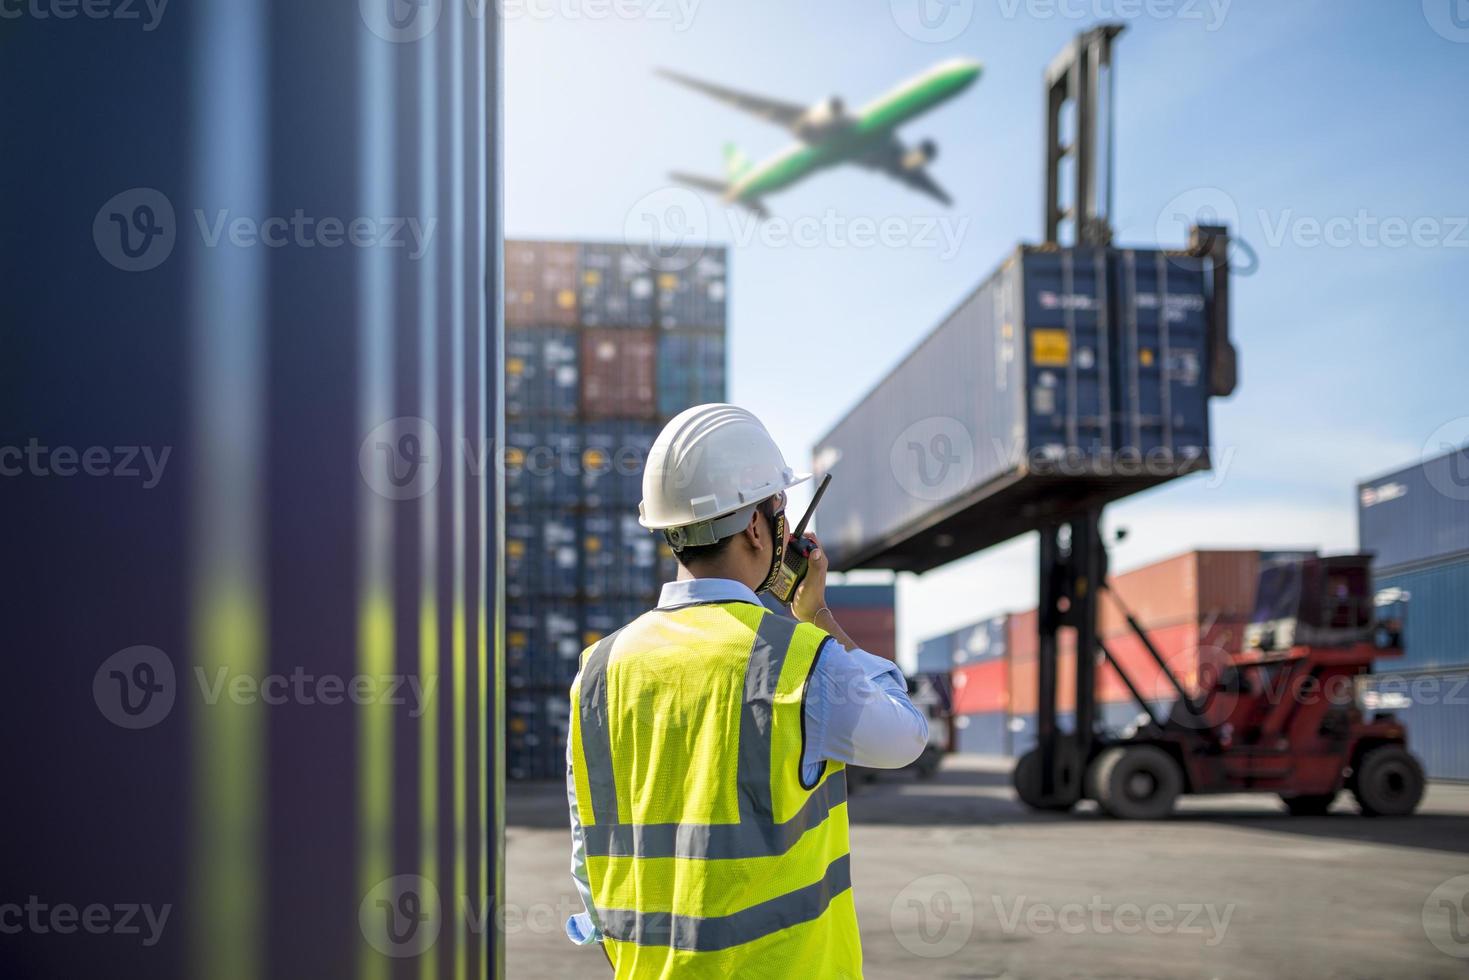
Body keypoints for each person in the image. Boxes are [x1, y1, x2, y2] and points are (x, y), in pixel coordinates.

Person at [564, 403, 929, 977]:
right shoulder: (800, 661)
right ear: (760, 528)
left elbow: (589, 855)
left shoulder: (599, 670)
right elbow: (906, 736)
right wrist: (817, 614)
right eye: (778, 507)